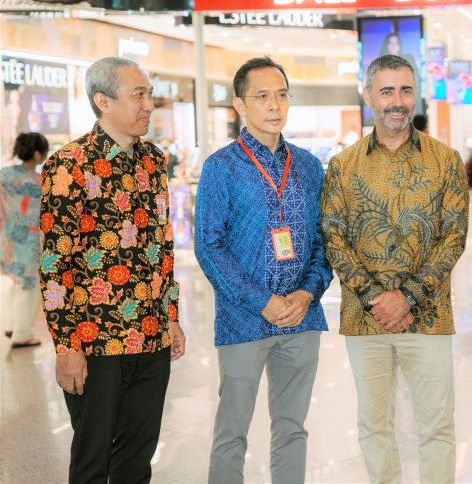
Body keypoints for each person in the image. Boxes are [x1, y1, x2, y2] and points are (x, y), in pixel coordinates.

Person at [321, 54, 469, 484]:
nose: (397, 101)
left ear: (416, 94)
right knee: (374, 427)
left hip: (429, 316)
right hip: (364, 320)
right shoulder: (343, 165)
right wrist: (376, 299)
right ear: (368, 96)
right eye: (387, 91)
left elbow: (454, 237)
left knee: (437, 427)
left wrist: (407, 297)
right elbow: (333, 239)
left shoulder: (445, 160)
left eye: (405, 90)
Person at [39, 56, 185, 483]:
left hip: (152, 337)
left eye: (149, 94)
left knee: (137, 461)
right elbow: (54, 265)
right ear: (103, 101)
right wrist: (67, 346)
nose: (148, 105)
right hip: (95, 342)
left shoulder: (154, 161)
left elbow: (162, 247)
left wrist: (171, 315)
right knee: (93, 461)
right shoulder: (70, 164)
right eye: (138, 95)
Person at [195, 56, 332, 484]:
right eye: (262, 96)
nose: (275, 105)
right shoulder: (221, 167)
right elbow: (209, 247)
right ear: (240, 104)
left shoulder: (308, 166)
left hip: (302, 318)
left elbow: (324, 241)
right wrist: (263, 301)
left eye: (282, 95)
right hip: (244, 321)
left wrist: (306, 293)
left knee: (292, 428)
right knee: (232, 431)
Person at [1, 132, 48, 348]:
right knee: (28, 286)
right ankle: (21, 334)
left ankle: (12, 325)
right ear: (37, 154)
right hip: (29, 240)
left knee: (17, 283)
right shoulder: (40, 182)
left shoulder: (4, 175)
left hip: (9, 238)